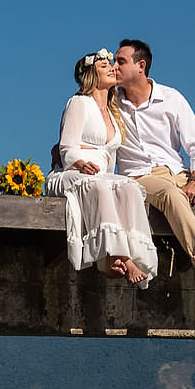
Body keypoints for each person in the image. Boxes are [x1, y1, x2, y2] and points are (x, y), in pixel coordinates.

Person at [112, 40, 195, 300]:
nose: (114, 67)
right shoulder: (111, 101)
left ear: (141, 66)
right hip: (140, 176)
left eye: (121, 61)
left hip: (179, 173)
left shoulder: (171, 98)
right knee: (171, 195)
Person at [45, 50, 158, 283]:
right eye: (104, 66)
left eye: (111, 65)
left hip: (101, 174)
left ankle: (134, 254)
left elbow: (110, 157)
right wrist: (81, 162)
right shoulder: (79, 103)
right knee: (98, 186)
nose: (111, 68)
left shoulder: (113, 111)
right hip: (72, 172)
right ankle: (118, 256)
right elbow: (66, 147)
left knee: (129, 188)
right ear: (91, 75)